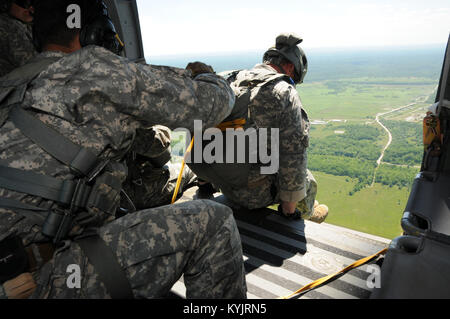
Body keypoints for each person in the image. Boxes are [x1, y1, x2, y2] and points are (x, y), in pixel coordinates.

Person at [0, 0, 246, 299]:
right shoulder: (92, 67)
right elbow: (212, 104)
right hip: (37, 281)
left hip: (12, 265)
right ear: (92, 35)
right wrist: (207, 76)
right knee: (214, 222)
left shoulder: (11, 85)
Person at [188, 33, 328, 223]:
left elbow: (202, 127)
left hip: (221, 181)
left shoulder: (230, 79)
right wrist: (288, 211)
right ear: (289, 67)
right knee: (307, 180)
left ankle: (303, 207)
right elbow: (293, 154)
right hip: (253, 195)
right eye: (294, 76)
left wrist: (204, 183)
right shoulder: (284, 92)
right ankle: (307, 214)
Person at [121, 125, 197, 211]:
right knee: (189, 171)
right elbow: (159, 144)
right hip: (131, 194)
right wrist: (160, 125)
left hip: (111, 194)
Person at [0, 0, 38, 77]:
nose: (31, 9)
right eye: (24, 4)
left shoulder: (27, 24)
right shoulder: (7, 26)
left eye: (35, 4)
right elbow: (31, 64)